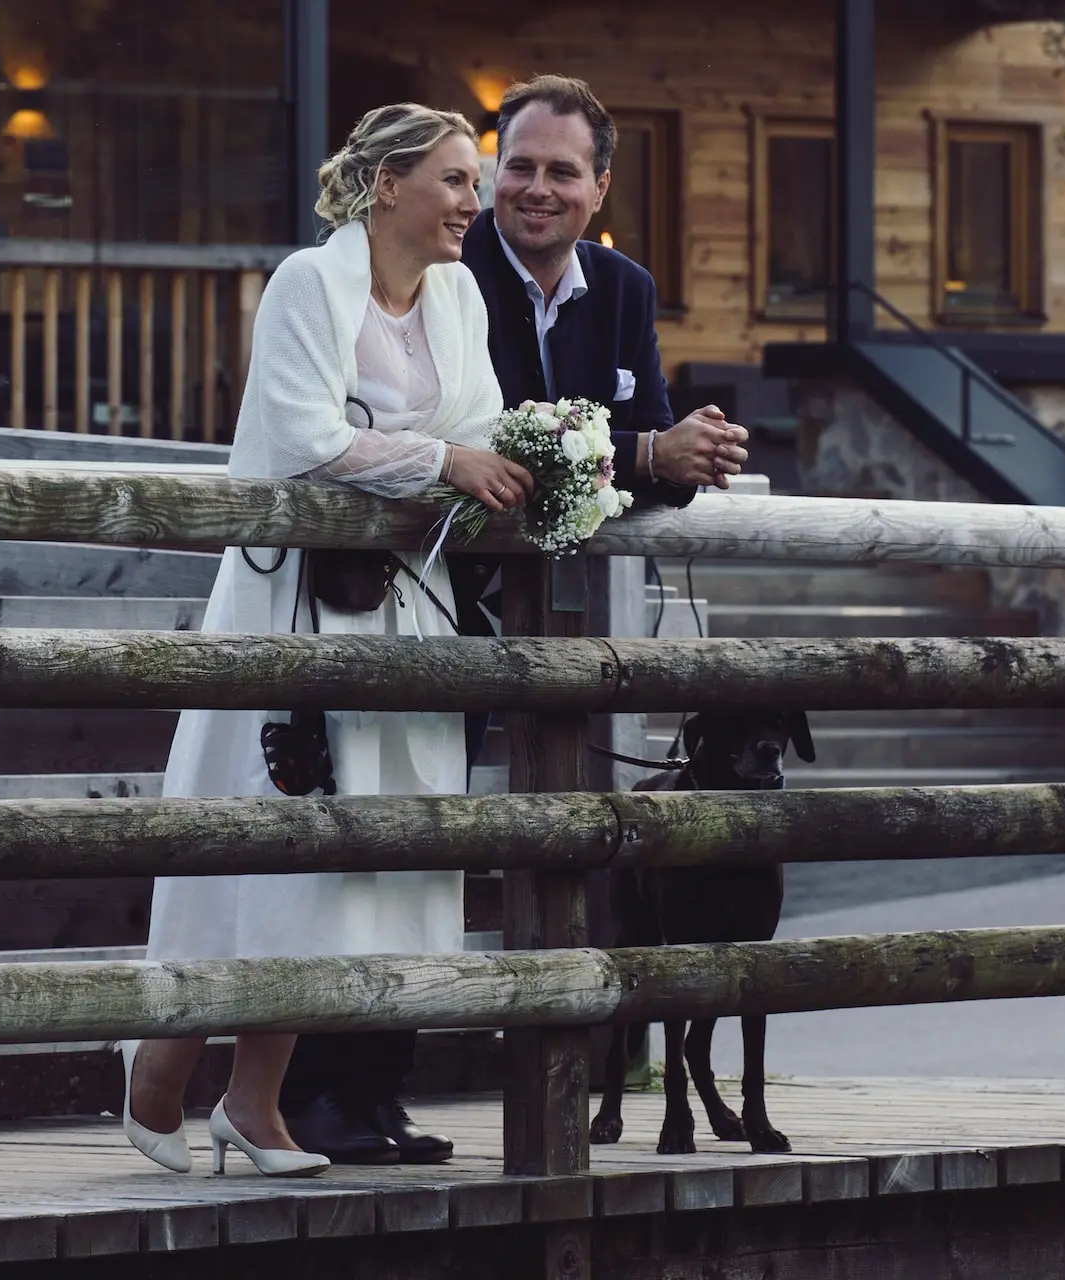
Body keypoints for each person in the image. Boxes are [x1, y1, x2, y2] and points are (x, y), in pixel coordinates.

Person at [277, 73, 752, 1164]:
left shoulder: (623, 289)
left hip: (504, 623)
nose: (530, 192)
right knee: (357, 841)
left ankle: (379, 1085)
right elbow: (517, 441)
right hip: (386, 596)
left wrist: (687, 452)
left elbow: (630, 445)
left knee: (437, 846)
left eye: (559, 172)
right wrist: (640, 450)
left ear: (600, 186)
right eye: (513, 170)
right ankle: (314, 1087)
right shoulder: (448, 261)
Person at [118, 103, 530, 1176]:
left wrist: (472, 458)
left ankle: (255, 1104)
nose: (470, 205)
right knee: (263, 830)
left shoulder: (460, 292)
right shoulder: (310, 282)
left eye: (473, 184)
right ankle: (159, 1075)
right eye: (452, 180)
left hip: (403, 606)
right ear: (387, 185)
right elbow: (305, 434)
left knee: (347, 862)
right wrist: (436, 463)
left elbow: (479, 423)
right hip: (288, 602)